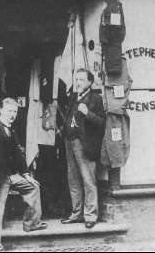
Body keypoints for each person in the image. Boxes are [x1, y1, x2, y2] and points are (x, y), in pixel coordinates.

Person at [0, 97, 48, 251]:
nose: (12, 114)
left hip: (11, 176)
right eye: (9, 111)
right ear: (2, 111)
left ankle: (31, 224)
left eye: (15, 111)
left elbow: (17, 154)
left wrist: (26, 174)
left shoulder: (11, 129)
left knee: (33, 187)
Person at [60, 69, 106, 228]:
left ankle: (90, 216)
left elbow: (102, 123)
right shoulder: (73, 97)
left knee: (88, 180)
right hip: (69, 141)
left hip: (85, 144)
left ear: (90, 82)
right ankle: (76, 213)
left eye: (81, 79)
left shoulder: (96, 99)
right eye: (76, 79)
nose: (77, 82)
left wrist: (87, 113)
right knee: (73, 180)